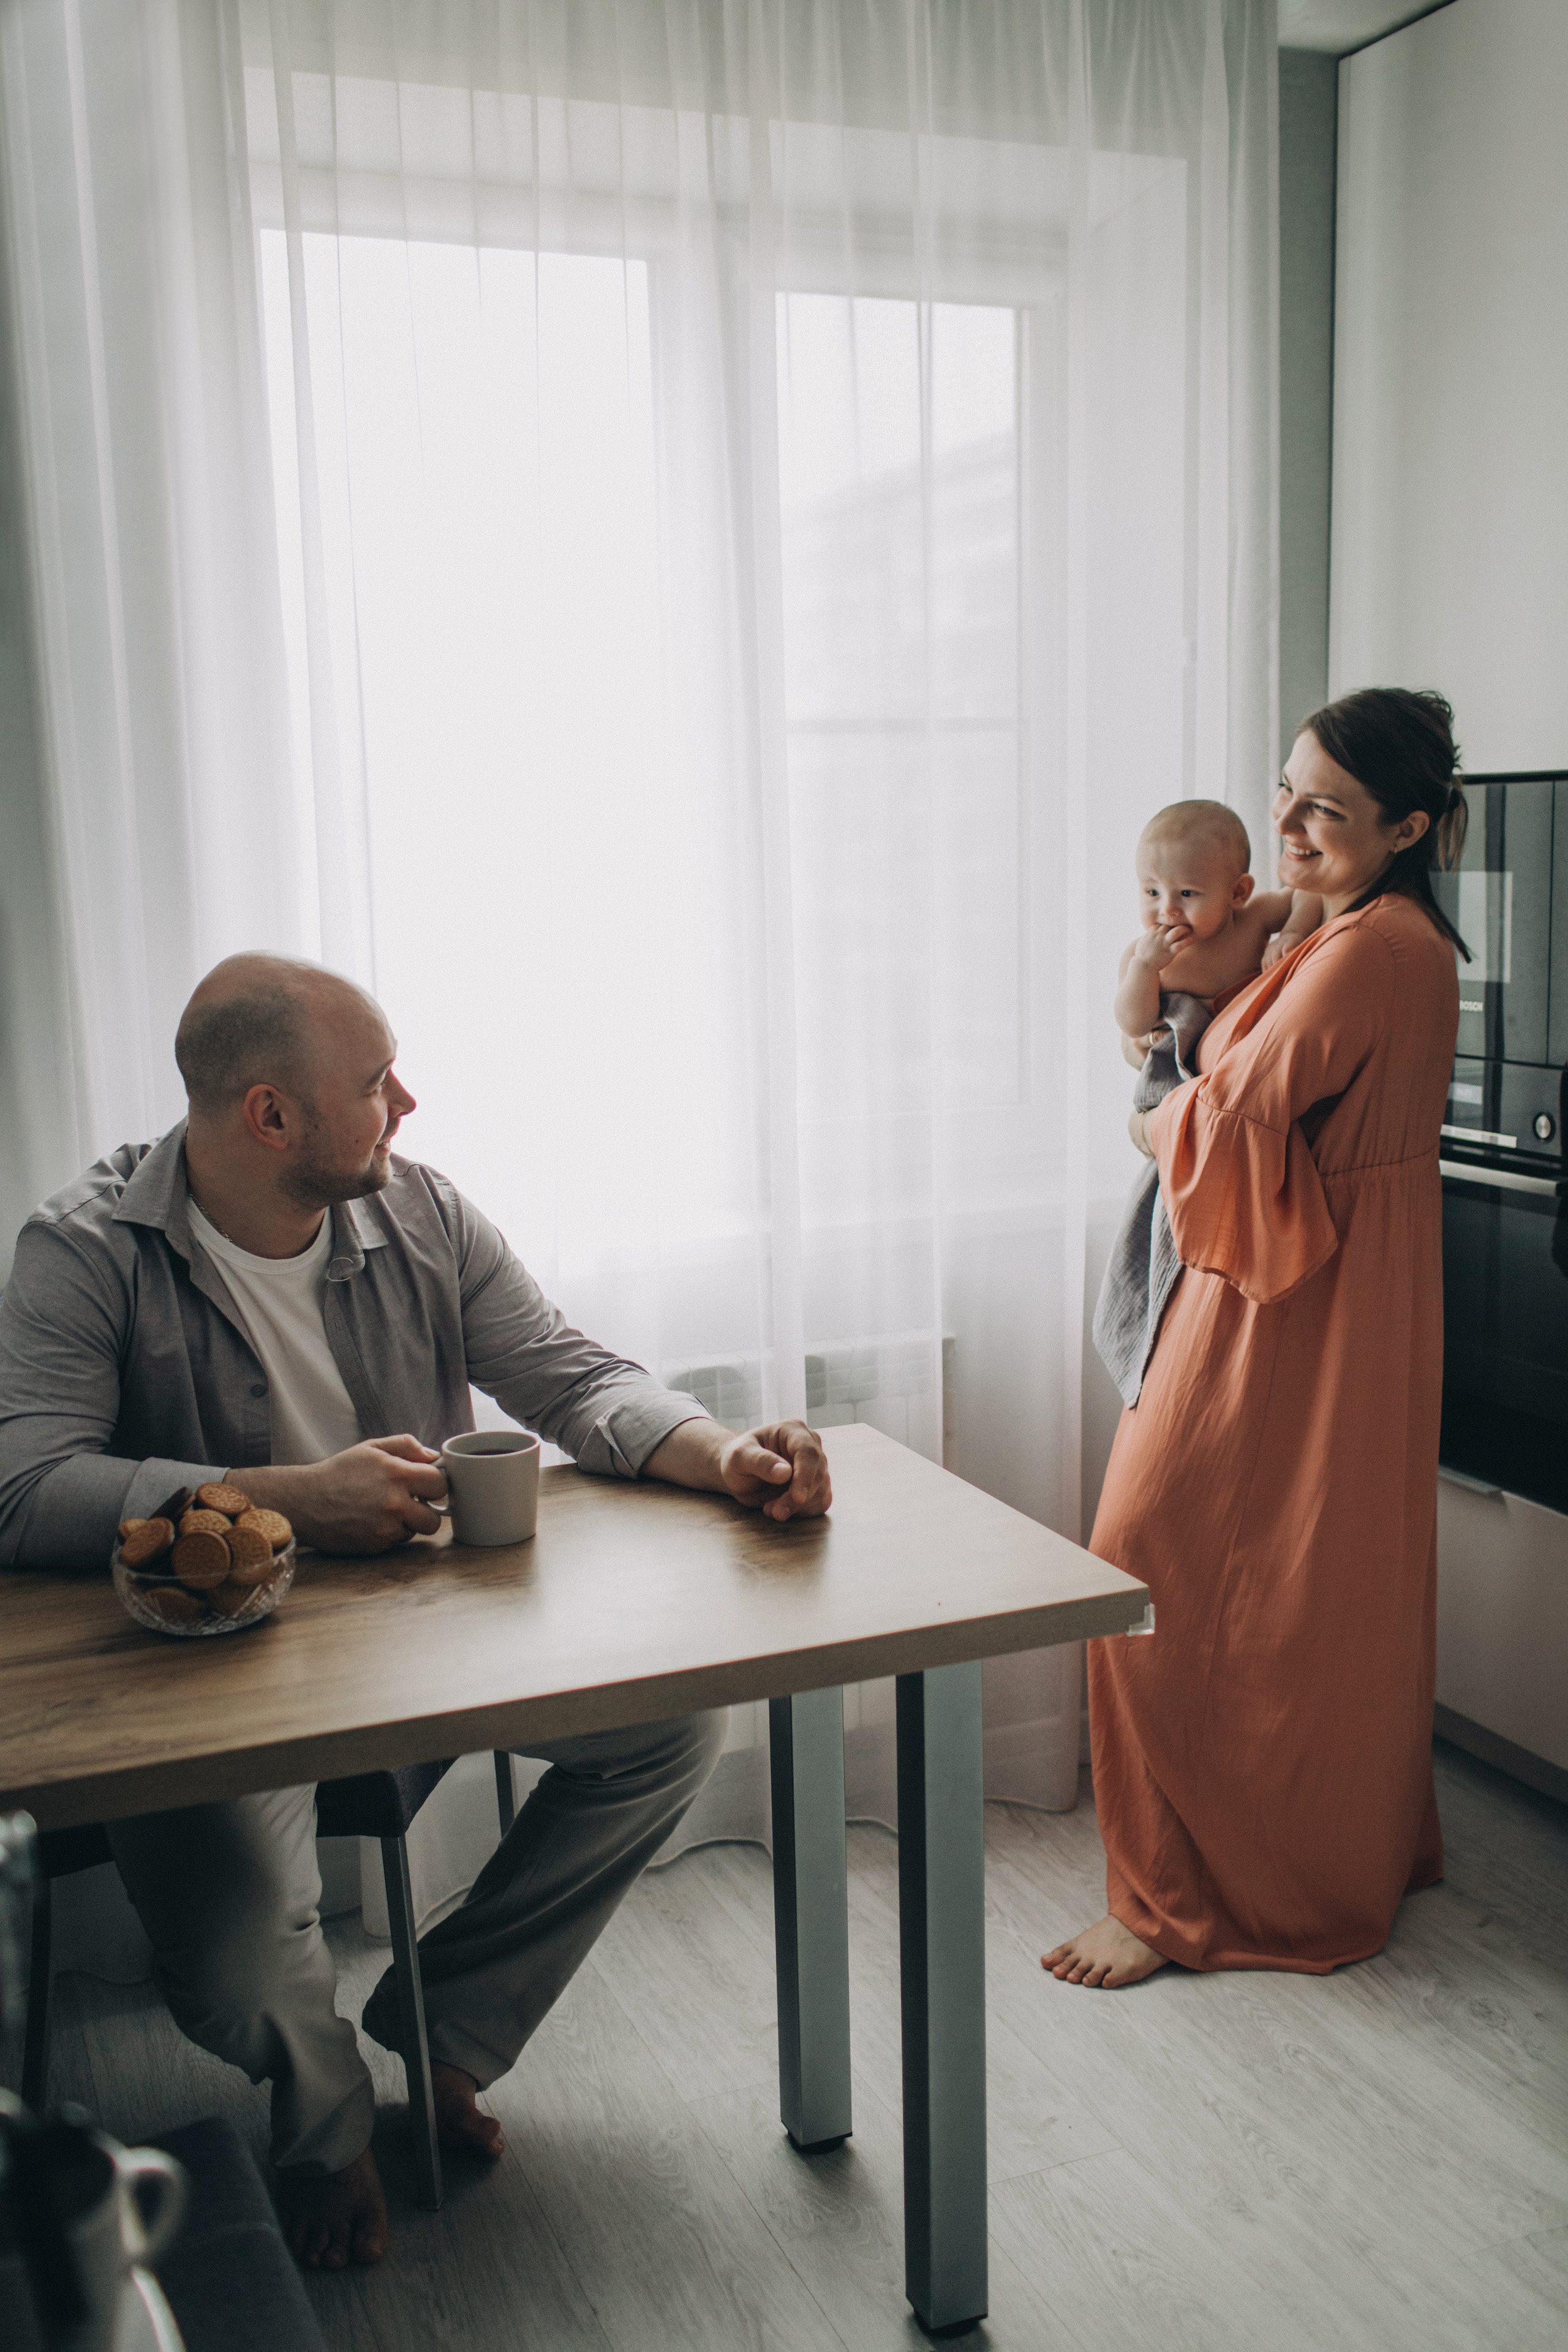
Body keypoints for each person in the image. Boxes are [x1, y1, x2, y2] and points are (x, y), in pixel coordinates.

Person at [0, 954, 831, 2267]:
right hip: (204, 1669)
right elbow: (24, 1487)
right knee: (235, 1967)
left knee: (670, 1728)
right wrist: (291, 1501)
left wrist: (719, 1451)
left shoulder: (424, 1210)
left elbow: (568, 1375)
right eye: (377, 1081)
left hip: (423, 1640)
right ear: (272, 1115)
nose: (408, 1102)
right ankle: (324, 2124)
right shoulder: (85, 1250)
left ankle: (441, 2037)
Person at [1047, 687, 1466, 1990]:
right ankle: (1326, 1847)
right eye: (1284, 788)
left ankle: (1174, 1899)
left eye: (1323, 808)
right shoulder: (1346, 927)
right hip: (1323, 1266)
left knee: (1144, 1557)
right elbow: (1234, 965)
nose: (1285, 822)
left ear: (1406, 828)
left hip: (1293, 1286)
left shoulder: (1365, 953)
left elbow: (1222, 1127)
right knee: (1318, 1577)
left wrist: (1141, 1108)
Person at [1112, 799, 1321, 1050]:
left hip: (1249, 1049)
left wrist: (1293, 931)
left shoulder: (1252, 920)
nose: (1167, 909)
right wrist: (1145, 967)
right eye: (1152, 892)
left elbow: (1310, 891)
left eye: (1187, 893)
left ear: (1238, 893)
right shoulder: (1140, 958)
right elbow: (1134, 1027)